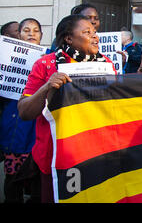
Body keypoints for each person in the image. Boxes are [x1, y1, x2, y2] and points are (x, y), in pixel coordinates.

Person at [17, 14, 116, 203]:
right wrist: (47, 87)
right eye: (87, 32)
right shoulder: (45, 65)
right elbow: (24, 111)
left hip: (93, 154)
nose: (95, 37)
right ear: (69, 38)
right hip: (54, 156)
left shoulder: (107, 66)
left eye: (95, 32)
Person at [0, 18, 44, 203]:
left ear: (41, 36)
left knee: (37, 185)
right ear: (19, 34)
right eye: (26, 30)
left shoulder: (49, 58)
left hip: (38, 129)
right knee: (13, 182)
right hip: (13, 127)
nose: (31, 34)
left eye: (36, 30)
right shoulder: (5, 57)